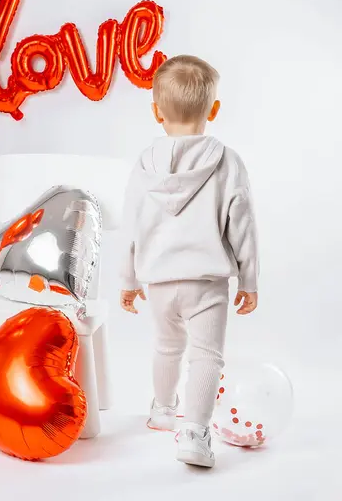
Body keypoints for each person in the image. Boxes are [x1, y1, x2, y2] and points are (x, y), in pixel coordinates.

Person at [119, 55, 259, 468]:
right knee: (206, 356)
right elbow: (243, 225)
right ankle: (194, 435)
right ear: (213, 110)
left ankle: (163, 410)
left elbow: (131, 226)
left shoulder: (144, 166)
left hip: (159, 280)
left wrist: (128, 279)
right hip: (207, 281)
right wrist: (249, 279)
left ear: (156, 111)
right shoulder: (227, 162)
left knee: (166, 346)